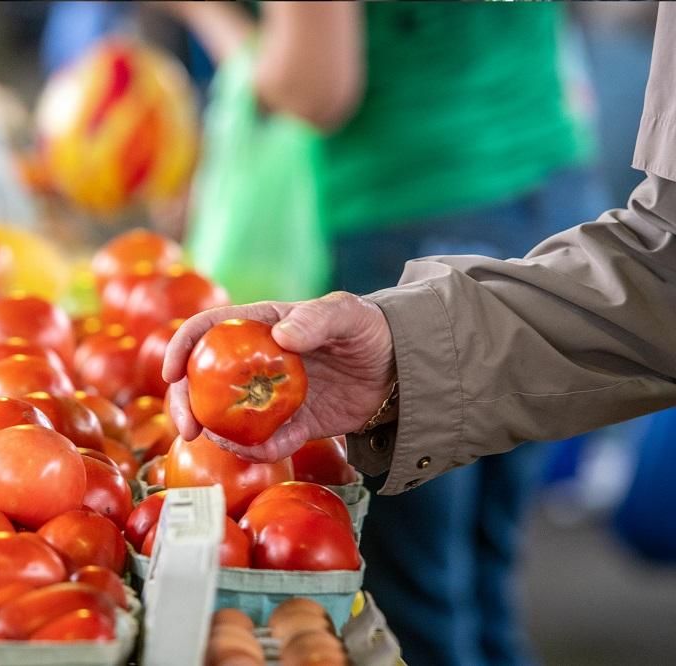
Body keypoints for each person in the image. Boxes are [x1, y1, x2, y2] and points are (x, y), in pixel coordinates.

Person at [163, 3, 676, 639]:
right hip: (554, 182)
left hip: (404, 206)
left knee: (417, 601)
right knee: (488, 574)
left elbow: (315, 87)